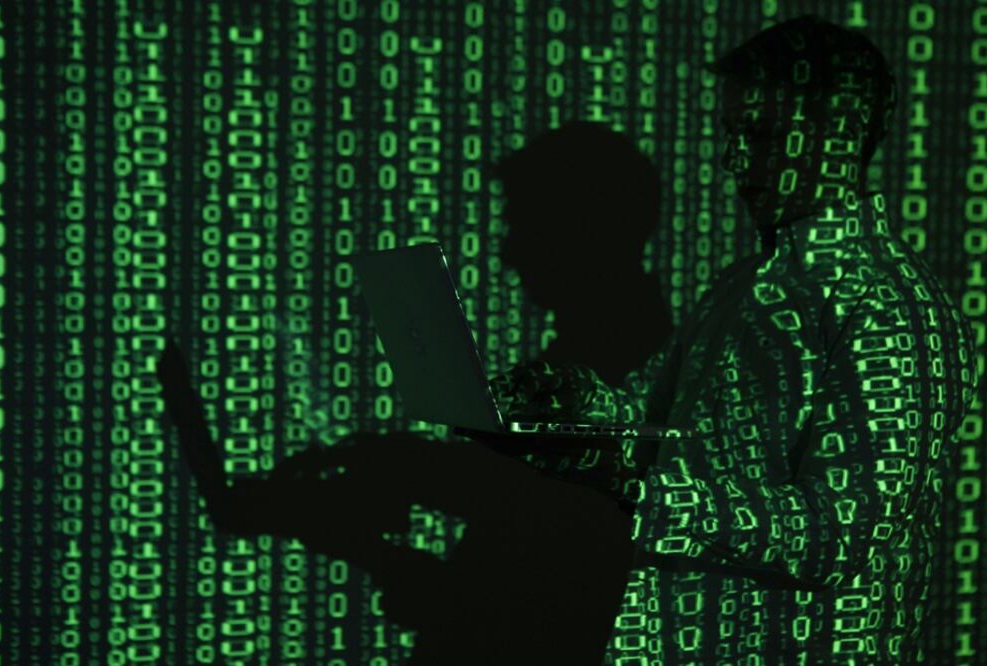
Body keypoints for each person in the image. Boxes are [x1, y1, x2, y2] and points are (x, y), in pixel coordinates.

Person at [492, 14, 979, 665]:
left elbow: (832, 536)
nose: (732, 160)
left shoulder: (894, 312)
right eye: (731, 133)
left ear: (840, 130)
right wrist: (568, 410)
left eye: (761, 134)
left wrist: (639, 487)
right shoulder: (741, 285)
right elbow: (651, 421)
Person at [157, 122, 674, 664]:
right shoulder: (617, 363)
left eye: (526, 228)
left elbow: (540, 597)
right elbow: (512, 535)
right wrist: (373, 508)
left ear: (585, 233)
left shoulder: (620, 380)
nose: (507, 254)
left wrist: (373, 498)